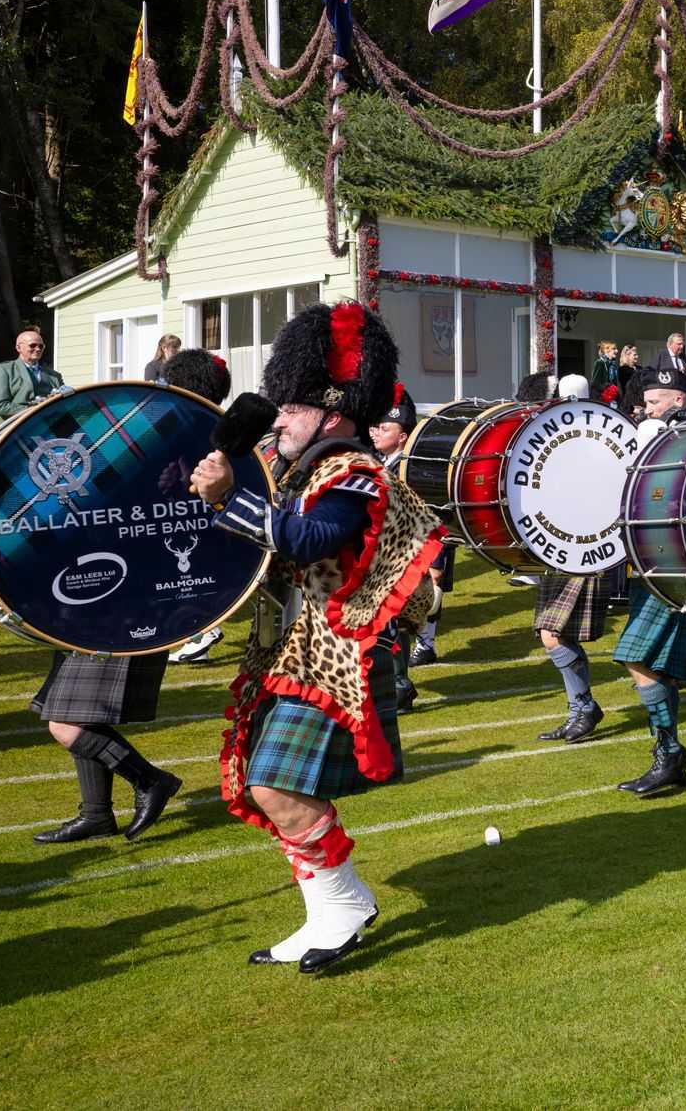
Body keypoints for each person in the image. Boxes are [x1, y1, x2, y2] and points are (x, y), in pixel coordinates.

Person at [190, 300, 444, 972]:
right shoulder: (301, 467)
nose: (276, 417)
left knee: (276, 785)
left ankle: (346, 904)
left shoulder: (352, 470)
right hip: (295, 646)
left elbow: (314, 539)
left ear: (330, 409)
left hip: (338, 651)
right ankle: (323, 915)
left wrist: (227, 500)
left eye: (290, 406)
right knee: (261, 784)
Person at [24, 349, 222, 841]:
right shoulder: (209, 450)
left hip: (123, 605)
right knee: (74, 712)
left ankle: (151, 780)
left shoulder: (166, 449)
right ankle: (96, 813)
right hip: (116, 599)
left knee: (65, 721)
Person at [608, 369, 686, 797]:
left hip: (675, 565)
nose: (645, 411)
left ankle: (670, 752)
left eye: (654, 403)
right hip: (652, 565)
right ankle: (669, 757)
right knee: (660, 667)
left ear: (679, 401)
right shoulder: (658, 439)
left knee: (635, 657)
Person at [530, 373, 625, 743]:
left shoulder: (599, 441)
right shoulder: (557, 442)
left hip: (587, 546)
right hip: (561, 545)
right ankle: (581, 708)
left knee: (553, 633)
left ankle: (583, 708)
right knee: (552, 632)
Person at [368, 382, 445, 710]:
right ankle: (399, 684)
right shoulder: (380, 464)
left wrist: (436, 565)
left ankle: (400, 684)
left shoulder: (411, 469)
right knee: (388, 622)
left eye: (384, 427)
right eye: (374, 426)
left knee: (394, 621)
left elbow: (431, 519)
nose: (375, 432)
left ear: (403, 435)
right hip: (384, 560)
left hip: (408, 561)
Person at [164, 349, 235, 664]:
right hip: (196, 505)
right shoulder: (213, 419)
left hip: (200, 507)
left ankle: (204, 630)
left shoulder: (198, 422)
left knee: (194, 573)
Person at [0, 326, 65, 419]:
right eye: (32, 345)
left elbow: (63, 405)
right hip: (16, 429)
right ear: (19, 348)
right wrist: (33, 409)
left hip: (49, 430)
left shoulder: (55, 376)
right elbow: (1, 407)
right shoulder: (4, 370)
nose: (38, 349)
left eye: (41, 346)